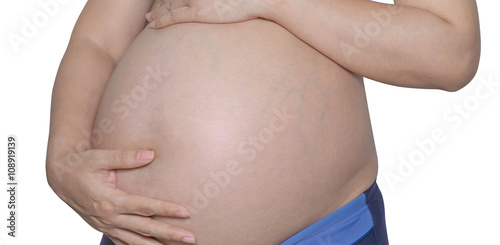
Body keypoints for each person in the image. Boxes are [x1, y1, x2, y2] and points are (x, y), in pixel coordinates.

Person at [46, 0, 480, 244]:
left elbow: (449, 49)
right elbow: (97, 41)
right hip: (135, 232)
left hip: (317, 233)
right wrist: (63, 155)